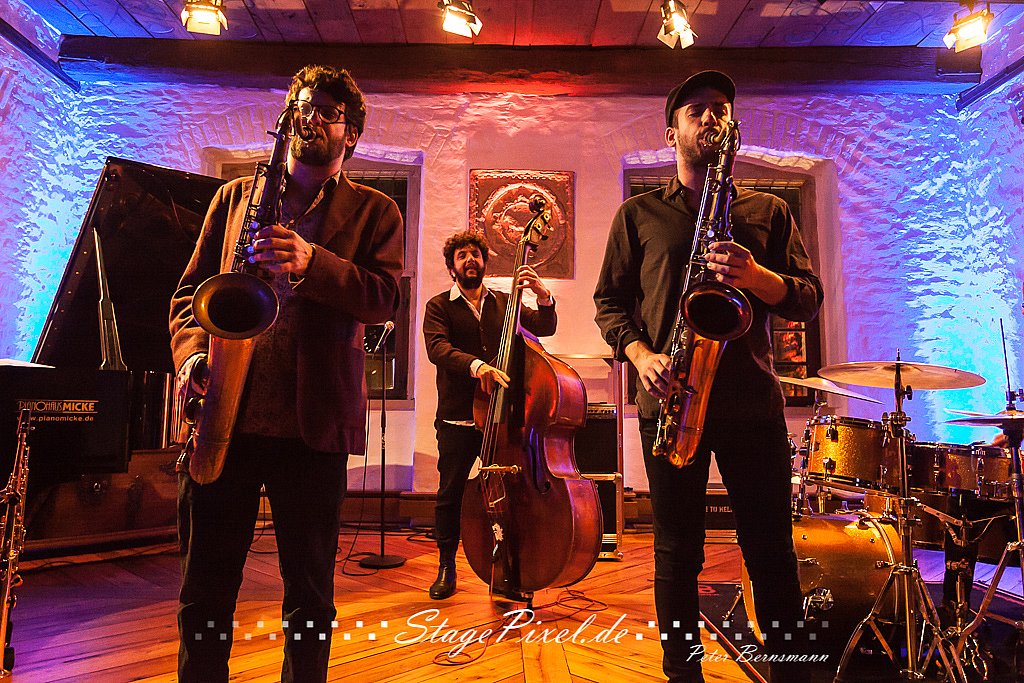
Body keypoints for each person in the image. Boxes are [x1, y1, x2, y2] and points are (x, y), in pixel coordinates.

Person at [169, 64, 404, 683]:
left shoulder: (377, 211)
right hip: (226, 420)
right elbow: (189, 296)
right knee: (205, 592)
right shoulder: (234, 198)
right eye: (303, 104)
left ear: (351, 134)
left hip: (312, 430)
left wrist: (312, 261)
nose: (311, 116)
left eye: (328, 111)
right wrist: (192, 357)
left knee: (309, 598)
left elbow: (385, 299)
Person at [593, 71, 824, 682]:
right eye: (695, 109)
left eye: (720, 108)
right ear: (671, 132)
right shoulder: (637, 214)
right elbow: (609, 304)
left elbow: (807, 297)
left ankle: (791, 672)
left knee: (770, 549)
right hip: (671, 398)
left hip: (751, 402)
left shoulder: (769, 211)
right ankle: (682, 672)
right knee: (676, 554)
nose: (710, 117)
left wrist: (758, 278)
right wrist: (642, 356)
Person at [422, 230, 556, 600]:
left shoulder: (505, 302)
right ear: (452, 267)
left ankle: (510, 569)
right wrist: (477, 366)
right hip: (459, 418)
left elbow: (545, 327)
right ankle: (446, 567)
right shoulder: (439, 306)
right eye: (462, 255)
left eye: (475, 254)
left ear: (484, 262)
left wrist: (543, 295)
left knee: (512, 494)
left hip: (503, 419)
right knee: (450, 493)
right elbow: (437, 348)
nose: (470, 260)